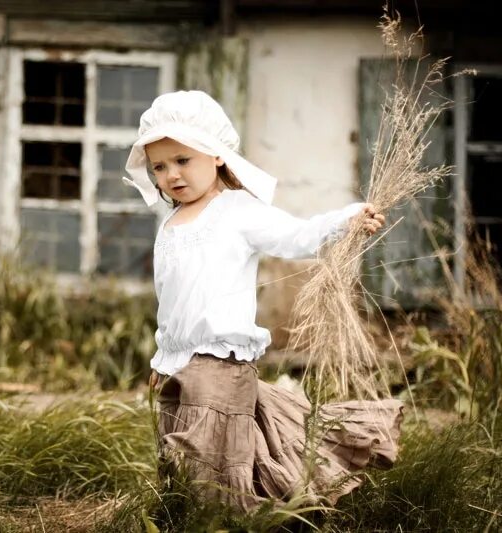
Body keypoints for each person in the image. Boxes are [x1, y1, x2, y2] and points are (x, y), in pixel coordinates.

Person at [121, 90, 404, 512]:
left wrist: (347, 220)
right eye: (159, 167)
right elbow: (173, 302)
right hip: (179, 366)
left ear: (216, 154)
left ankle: (230, 519)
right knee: (180, 458)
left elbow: (298, 235)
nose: (172, 175)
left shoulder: (236, 211)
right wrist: (162, 360)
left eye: (183, 160)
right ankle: (188, 517)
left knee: (215, 468)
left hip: (221, 364)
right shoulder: (172, 223)